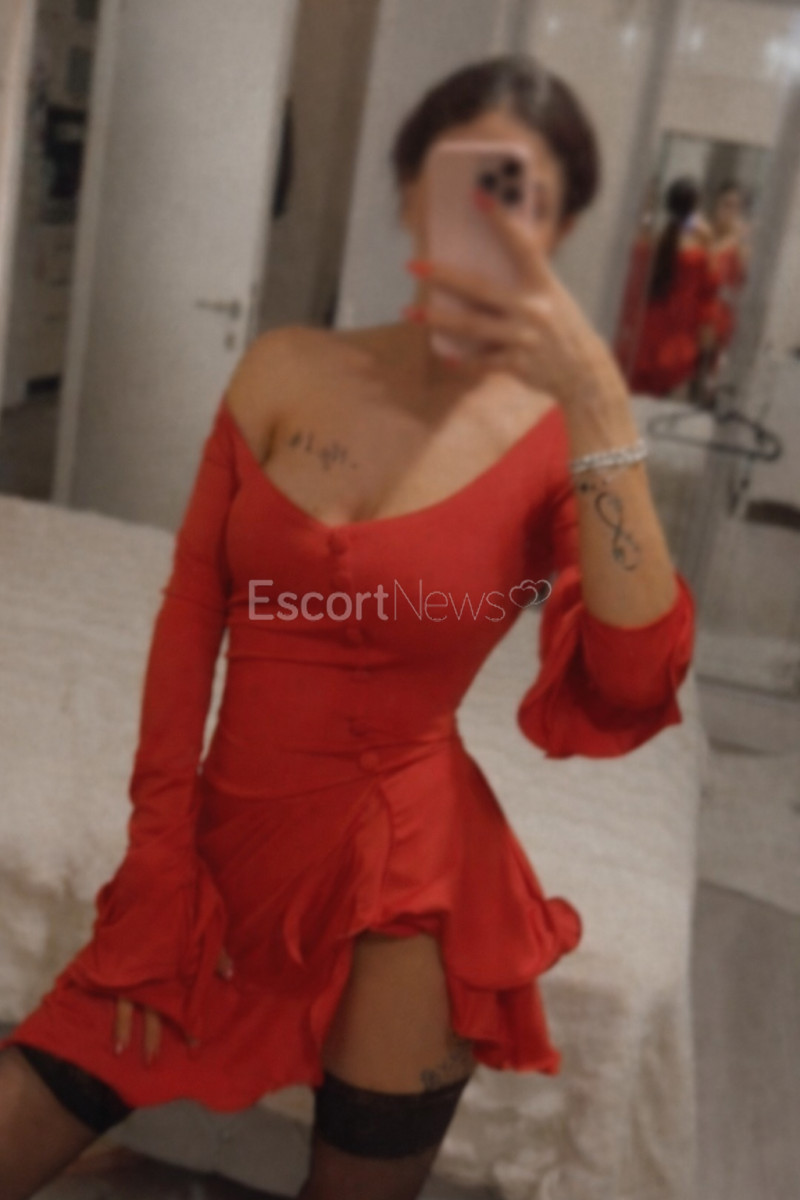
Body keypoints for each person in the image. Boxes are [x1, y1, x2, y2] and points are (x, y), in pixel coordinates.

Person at [0, 54, 695, 1200]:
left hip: (408, 874)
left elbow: (629, 680)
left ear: (559, 225)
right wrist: (161, 854)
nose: (486, 220)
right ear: (410, 190)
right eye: (463, 180)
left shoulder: (552, 438)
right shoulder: (286, 365)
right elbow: (193, 615)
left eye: (521, 193)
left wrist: (596, 401)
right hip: (225, 837)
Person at [620, 175, 720, 398]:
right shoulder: (697, 253)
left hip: (642, 341)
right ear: (695, 209)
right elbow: (709, 293)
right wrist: (710, 242)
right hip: (676, 349)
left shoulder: (650, 244)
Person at [704, 180, 750, 375]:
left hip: (720, 318)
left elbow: (746, 277)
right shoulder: (706, 234)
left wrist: (739, 239)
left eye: (736, 207)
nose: (730, 212)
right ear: (716, 205)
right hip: (698, 312)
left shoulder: (741, 245)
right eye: (726, 205)